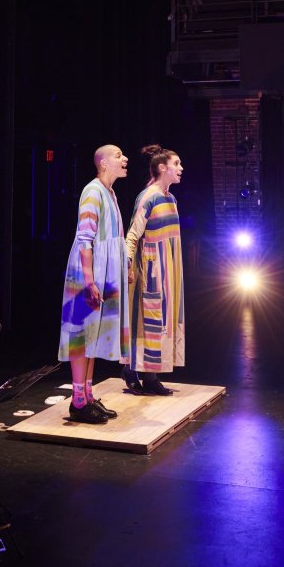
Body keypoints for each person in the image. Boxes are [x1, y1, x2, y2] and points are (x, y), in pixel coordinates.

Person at [58, 145, 130, 424]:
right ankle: (77, 401)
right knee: (82, 334)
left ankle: (87, 395)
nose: (124, 159)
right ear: (103, 163)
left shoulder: (109, 192)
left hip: (104, 270)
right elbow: (85, 238)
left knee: (95, 335)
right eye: (118, 156)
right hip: (89, 271)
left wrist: (122, 268)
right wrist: (89, 281)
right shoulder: (92, 191)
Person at [123, 144, 185, 394]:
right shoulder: (148, 197)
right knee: (147, 319)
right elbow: (133, 234)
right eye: (176, 164)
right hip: (151, 269)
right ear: (162, 167)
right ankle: (130, 369)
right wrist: (127, 264)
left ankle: (151, 376)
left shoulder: (171, 198)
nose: (181, 168)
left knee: (162, 321)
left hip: (169, 270)